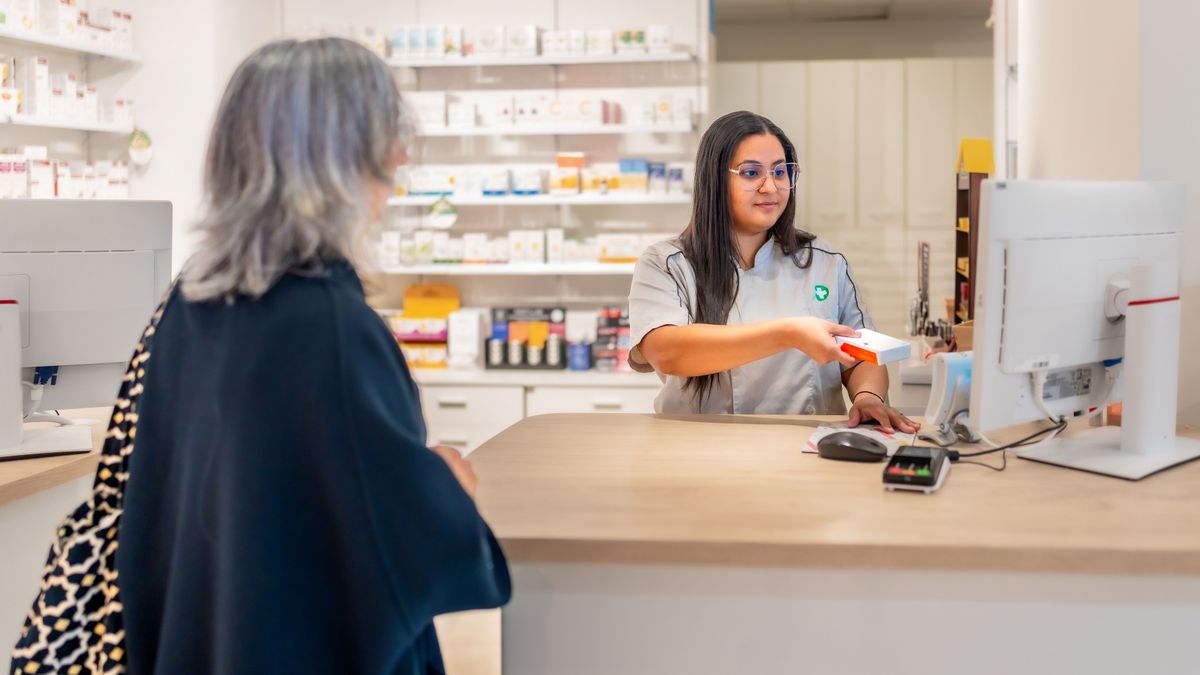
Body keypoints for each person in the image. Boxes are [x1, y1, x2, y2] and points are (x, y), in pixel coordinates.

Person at [117, 38, 510, 674]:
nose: (399, 159)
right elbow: (392, 539)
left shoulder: (189, 311)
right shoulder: (333, 327)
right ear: (340, 159)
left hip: (208, 639)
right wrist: (447, 487)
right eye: (387, 139)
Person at [629, 110, 917, 433]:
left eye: (781, 172)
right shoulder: (666, 263)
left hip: (803, 449)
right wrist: (789, 334)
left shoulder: (825, 263)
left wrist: (867, 396)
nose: (771, 187)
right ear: (714, 179)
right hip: (698, 450)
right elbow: (667, 351)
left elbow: (863, 354)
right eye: (751, 173)